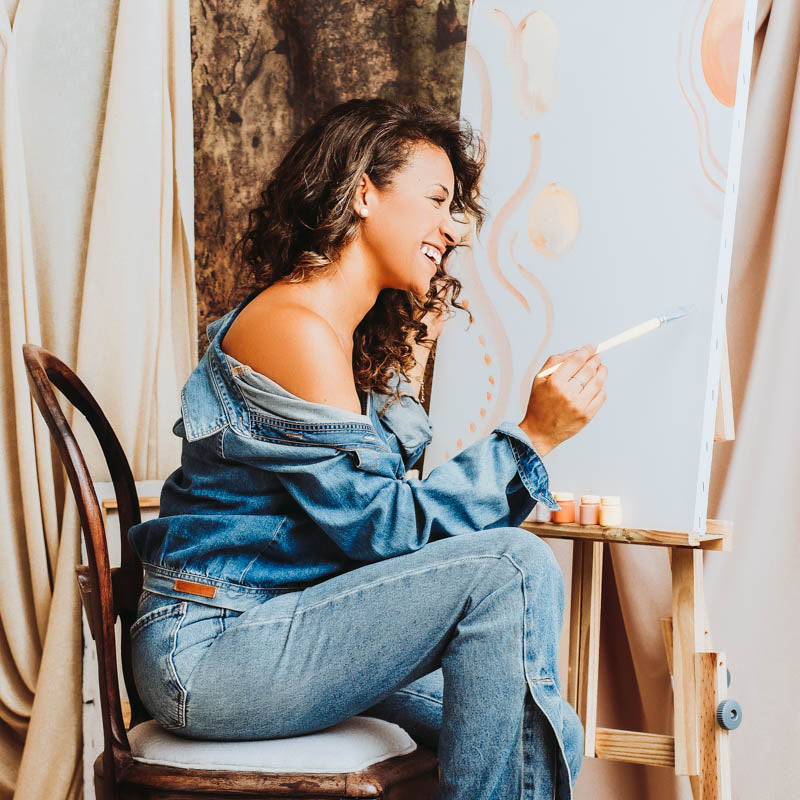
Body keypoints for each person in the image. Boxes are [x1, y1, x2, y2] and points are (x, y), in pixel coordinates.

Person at [128, 97, 607, 800]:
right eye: (437, 200)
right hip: (210, 648)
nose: (452, 229)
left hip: (277, 623)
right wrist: (531, 439)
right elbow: (386, 533)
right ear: (363, 194)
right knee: (511, 564)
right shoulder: (295, 327)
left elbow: (374, 521)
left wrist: (407, 363)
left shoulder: (332, 335)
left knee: (546, 727)